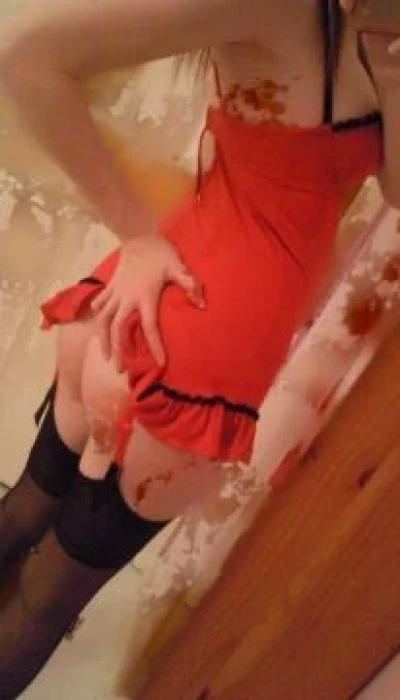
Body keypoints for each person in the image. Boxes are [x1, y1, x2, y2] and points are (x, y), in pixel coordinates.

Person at [0, 0, 399, 695]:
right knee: (47, 599)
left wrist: (393, 78)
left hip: (125, 316)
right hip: (196, 359)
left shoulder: (375, 25)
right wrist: (138, 236)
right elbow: (28, 59)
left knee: (26, 512)